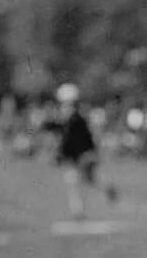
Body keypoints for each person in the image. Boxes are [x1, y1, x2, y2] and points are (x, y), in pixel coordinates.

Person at [46, 83, 118, 220]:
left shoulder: (73, 119)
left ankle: (78, 212)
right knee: (88, 180)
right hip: (85, 155)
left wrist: (59, 155)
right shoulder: (75, 118)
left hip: (82, 156)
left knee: (74, 181)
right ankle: (106, 189)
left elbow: (68, 140)